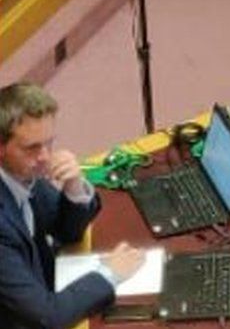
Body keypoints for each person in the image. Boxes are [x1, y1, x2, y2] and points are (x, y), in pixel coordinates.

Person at [0, 83, 144, 329]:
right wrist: (110, 274)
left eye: (49, 143)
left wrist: (73, 186)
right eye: (32, 147)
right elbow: (47, 316)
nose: (45, 157)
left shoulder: (21, 173)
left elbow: (67, 232)